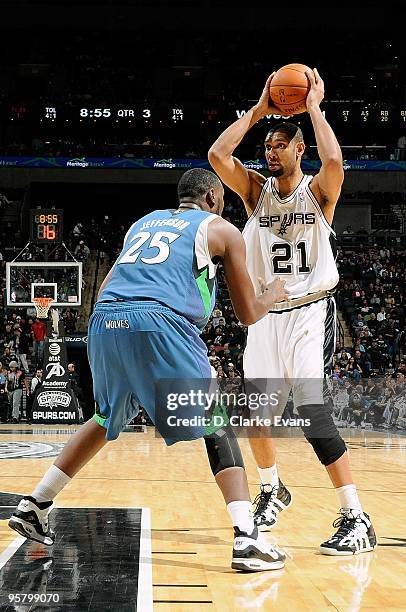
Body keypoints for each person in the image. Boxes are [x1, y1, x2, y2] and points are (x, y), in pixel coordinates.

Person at [9, 168, 288, 572]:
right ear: (211, 196)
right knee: (216, 422)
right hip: (158, 320)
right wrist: (272, 295)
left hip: (104, 320)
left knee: (105, 417)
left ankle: (35, 504)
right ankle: (247, 538)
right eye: (222, 196)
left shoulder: (142, 223)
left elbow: (106, 288)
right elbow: (246, 314)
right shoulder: (222, 229)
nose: (223, 202)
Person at [208, 69, 376, 555]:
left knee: (312, 414)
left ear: (298, 150)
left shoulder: (320, 192)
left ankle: (355, 516)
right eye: (268, 146)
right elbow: (218, 156)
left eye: (280, 144)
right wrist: (259, 110)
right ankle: (272, 488)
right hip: (266, 315)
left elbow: (336, 159)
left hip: (308, 313)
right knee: (254, 416)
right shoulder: (255, 192)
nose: (271, 151)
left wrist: (316, 110)